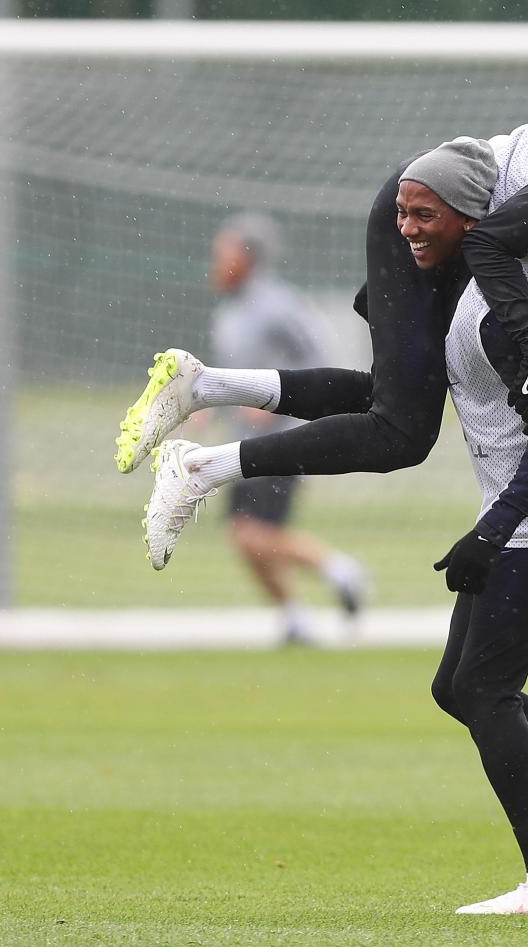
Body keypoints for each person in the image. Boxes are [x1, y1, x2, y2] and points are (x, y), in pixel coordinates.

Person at [115, 54, 528, 911]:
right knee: (455, 673)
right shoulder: (521, 248)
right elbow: (487, 297)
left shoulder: (499, 297)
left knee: (477, 673)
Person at [208, 212, 367, 642]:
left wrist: (279, 404)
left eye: (221, 252)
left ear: (246, 257)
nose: (213, 262)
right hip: (242, 443)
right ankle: (295, 617)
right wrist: (205, 407)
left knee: (253, 534)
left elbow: (318, 356)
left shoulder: (278, 304)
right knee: (243, 537)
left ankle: (339, 570)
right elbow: (235, 379)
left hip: (281, 443)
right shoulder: (229, 313)